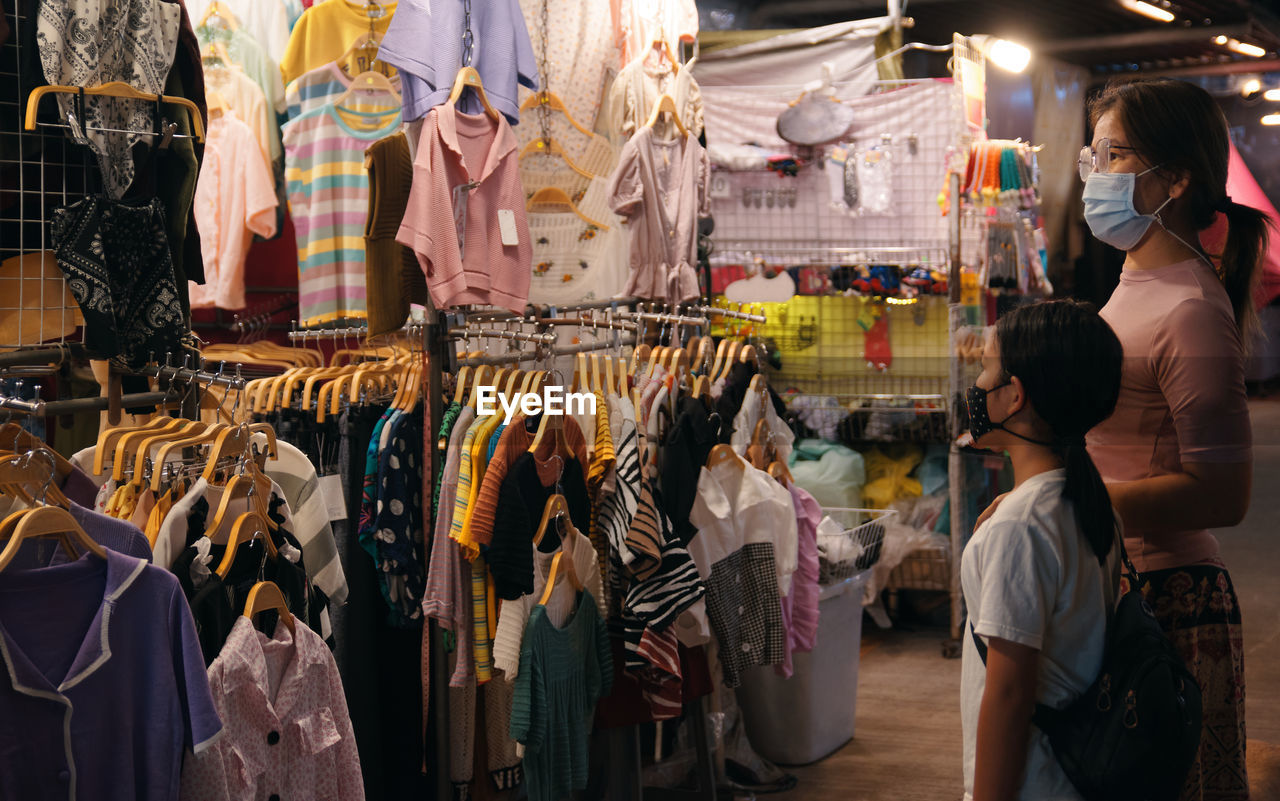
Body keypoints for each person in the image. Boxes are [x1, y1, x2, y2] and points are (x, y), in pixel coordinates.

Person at [1082, 78, 1259, 801]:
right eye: (1091, 155)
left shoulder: (1189, 309)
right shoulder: (1137, 281)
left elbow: (1224, 492)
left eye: (1112, 153)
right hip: (1121, 586)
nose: (1094, 173)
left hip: (1169, 605)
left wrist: (1078, 503)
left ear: (1176, 177)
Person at [961, 300, 1124, 801]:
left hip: (1032, 783)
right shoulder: (1083, 501)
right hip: (1071, 776)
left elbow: (1009, 696)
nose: (976, 386)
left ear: (1015, 396)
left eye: (986, 369)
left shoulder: (1022, 527)